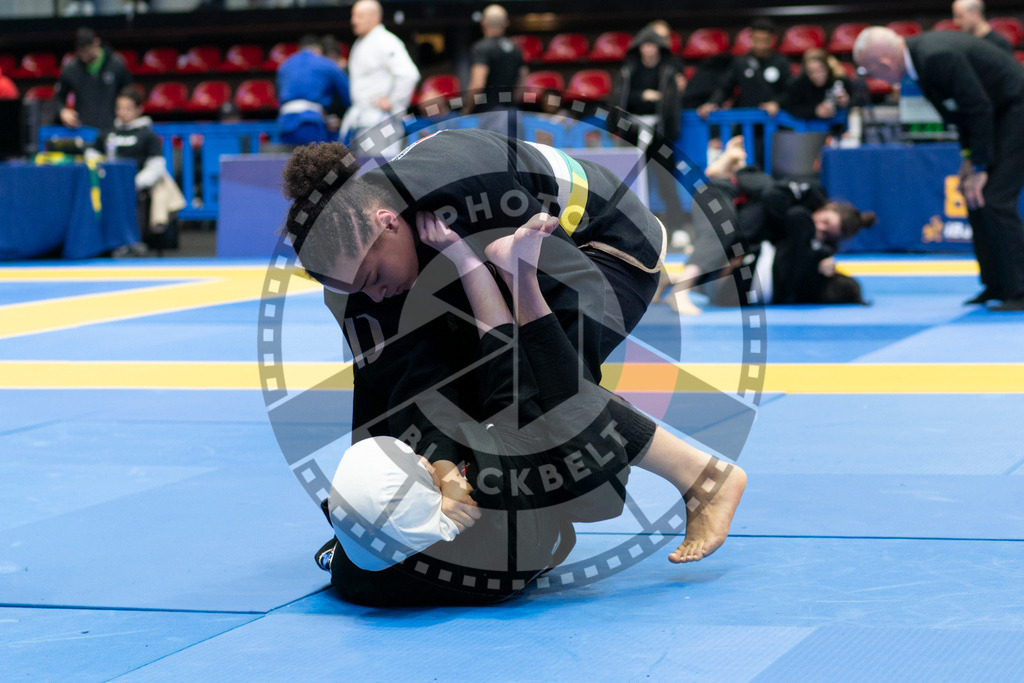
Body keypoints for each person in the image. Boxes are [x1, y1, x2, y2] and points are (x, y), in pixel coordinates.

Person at [281, 129, 747, 579]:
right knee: (449, 396)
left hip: (602, 245)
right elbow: (392, 389)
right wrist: (362, 523)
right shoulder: (354, 282)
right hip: (493, 262)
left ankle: (702, 478)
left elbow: (566, 312)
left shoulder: (462, 185)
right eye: (357, 291)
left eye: (374, 279)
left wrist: (555, 451)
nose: (376, 296)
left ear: (388, 223)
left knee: (537, 391)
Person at [855, 27, 1024, 311]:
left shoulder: (935, 57)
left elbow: (978, 107)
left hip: (1015, 112)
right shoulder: (920, 61)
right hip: (997, 117)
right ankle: (997, 284)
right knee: (974, 196)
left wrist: (980, 166)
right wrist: (969, 158)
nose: (875, 78)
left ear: (883, 63)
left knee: (994, 197)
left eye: (870, 71)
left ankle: (1020, 289)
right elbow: (961, 113)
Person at [658, 136, 874, 312]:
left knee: (727, 249)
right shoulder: (802, 204)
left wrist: (820, 253)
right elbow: (773, 197)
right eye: (825, 222)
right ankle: (680, 292)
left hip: (738, 216)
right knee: (721, 236)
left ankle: (669, 281)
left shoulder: (811, 243)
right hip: (722, 197)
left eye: (827, 233)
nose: (821, 228)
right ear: (827, 207)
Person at [613, 24, 687, 245]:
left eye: (653, 45)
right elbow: (620, 97)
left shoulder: (667, 70)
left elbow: (672, 103)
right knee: (628, 181)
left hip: (659, 132)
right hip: (632, 131)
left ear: (659, 48)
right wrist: (643, 96)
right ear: (639, 48)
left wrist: (670, 132)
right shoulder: (629, 69)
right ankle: (625, 229)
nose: (649, 49)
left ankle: (678, 228)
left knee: (666, 180)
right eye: (645, 45)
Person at [95, 87, 185, 255]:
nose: (123, 113)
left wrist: (134, 183)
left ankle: (134, 239)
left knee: (157, 187)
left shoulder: (147, 134)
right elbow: (93, 155)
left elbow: (156, 165)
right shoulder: (108, 132)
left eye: (128, 108)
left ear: (139, 109)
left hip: (138, 185)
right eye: (119, 108)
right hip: (108, 183)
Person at [339, 0, 420, 147]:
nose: (354, 21)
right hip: (360, 119)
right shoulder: (360, 43)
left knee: (379, 162)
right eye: (353, 16)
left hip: (380, 120)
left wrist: (393, 101)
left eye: (360, 16)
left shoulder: (386, 41)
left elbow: (409, 74)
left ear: (375, 17)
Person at [697, 18, 791, 120]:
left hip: (774, 120)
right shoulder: (740, 63)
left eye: (764, 40)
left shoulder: (781, 62)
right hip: (746, 120)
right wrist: (712, 103)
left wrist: (777, 103)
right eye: (757, 40)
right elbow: (725, 88)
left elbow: (790, 91)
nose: (760, 45)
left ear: (772, 39)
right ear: (751, 38)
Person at [276, 34, 350, 145]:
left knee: (291, 156)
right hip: (310, 121)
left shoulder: (285, 65)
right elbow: (347, 94)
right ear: (318, 50)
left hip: (285, 122)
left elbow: (278, 94)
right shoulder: (326, 64)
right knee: (316, 155)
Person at [55, 27, 132, 131]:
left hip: (112, 127)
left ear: (96, 42)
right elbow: (58, 97)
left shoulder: (116, 63)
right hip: (83, 129)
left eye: (87, 50)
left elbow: (128, 93)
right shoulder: (71, 69)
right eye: (81, 51)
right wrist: (63, 111)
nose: (84, 55)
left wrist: (124, 113)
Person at [464, 4, 526, 114]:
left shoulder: (481, 48)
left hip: (487, 114)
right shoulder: (516, 48)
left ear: (483, 22)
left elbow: (478, 85)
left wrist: (467, 109)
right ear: (506, 23)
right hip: (511, 112)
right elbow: (522, 85)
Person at [778, 48, 861, 121]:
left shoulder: (839, 80)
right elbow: (791, 107)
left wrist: (847, 102)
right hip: (809, 127)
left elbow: (860, 100)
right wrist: (815, 110)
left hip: (837, 125)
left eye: (821, 70)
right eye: (811, 72)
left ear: (828, 68)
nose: (816, 75)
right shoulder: (798, 84)